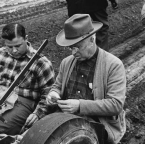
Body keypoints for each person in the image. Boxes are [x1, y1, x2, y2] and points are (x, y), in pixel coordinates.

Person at [43, 14, 126, 144]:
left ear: (92, 39)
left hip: (95, 124)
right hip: (65, 119)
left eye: (77, 47)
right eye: (71, 48)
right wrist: (54, 93)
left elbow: (115, 105)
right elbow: (57, 86)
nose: (73, 52)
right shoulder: (66, 62)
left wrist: (80, 106)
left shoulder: (113, 65)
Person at [0, 23, 55, 143]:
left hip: (23, 103)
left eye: (18, 46)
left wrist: (38, 114)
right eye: (9, 47)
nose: (14, 51)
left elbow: (50, 94)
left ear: (26, 38)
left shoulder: (40, 63)